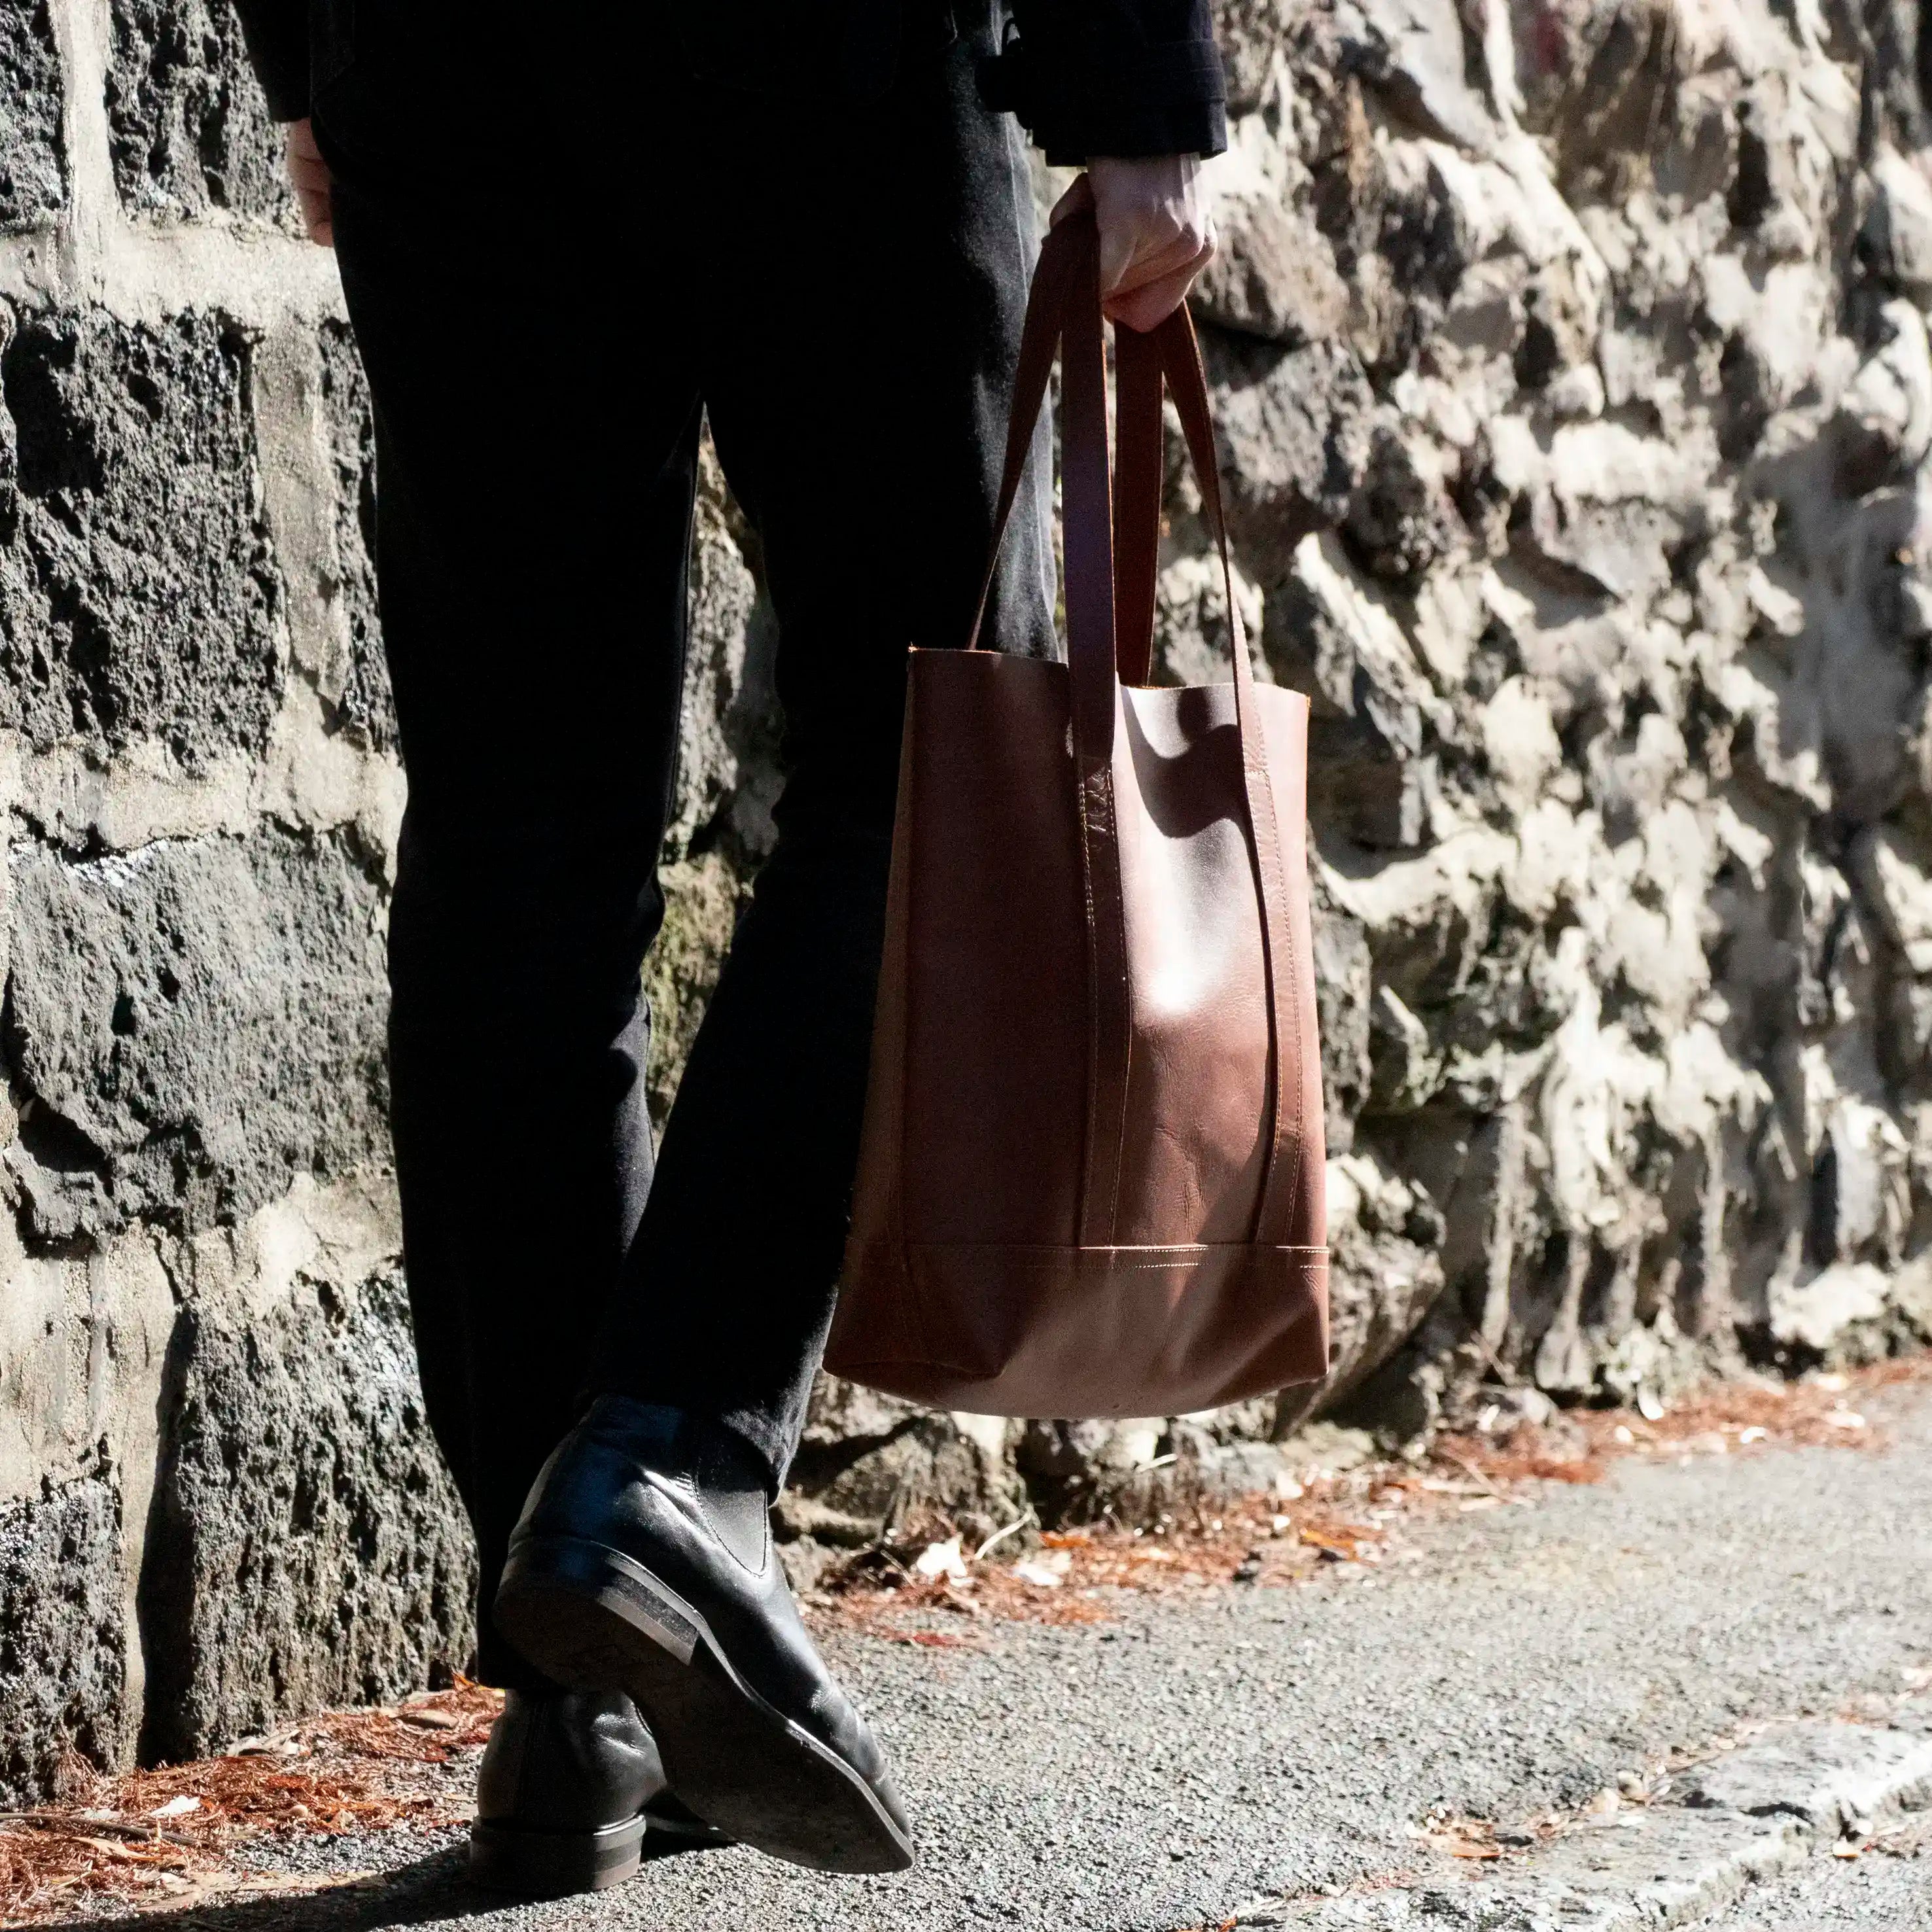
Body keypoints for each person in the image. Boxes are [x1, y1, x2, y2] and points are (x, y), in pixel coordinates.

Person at [232, 0, 1225, 1893]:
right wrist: (1133, 90)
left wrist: (310, 45)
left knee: (524, 811)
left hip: (435, 54)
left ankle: (575, 1689)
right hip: (808, 52)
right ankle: (670, 1467)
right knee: (936, 741)